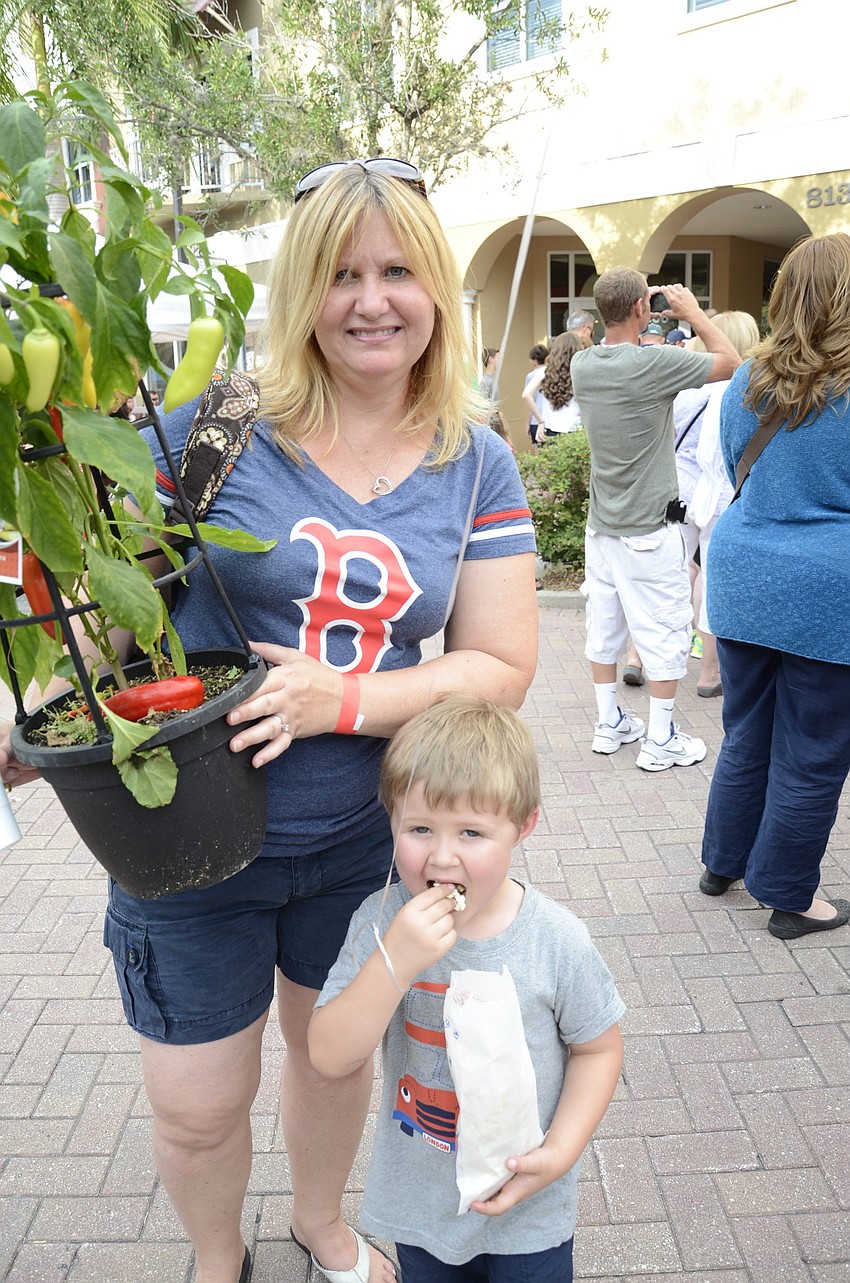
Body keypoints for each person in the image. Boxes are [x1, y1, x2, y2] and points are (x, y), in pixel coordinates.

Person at [0, 158, 539, 1283]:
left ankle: (317, 1223)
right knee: (198, 1106)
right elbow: (118, 595)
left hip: (360, 838)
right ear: (301, 291)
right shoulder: (219, 429)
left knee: (333, 1063)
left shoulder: (472, 457)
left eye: (397, 270)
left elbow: (500, 661)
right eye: (341, 273)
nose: (370, 299)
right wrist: (39, 711)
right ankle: (215, 1256)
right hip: (185, 842)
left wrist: (343, 699)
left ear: (435, 285)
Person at [308, 696, 625, 1282]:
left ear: (523, 826)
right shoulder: (381, 923)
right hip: (422, 1204)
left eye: (473, 832)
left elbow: (598, 1048)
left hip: (528, 1203)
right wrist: (395, 961)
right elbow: (329, 1056)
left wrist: (561, 1152)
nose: (443, 855)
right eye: (420, 828)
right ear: (391, 819)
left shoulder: (555, 940)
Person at [699, 232, 850, 941]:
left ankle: (722, 862)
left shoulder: (745, 382)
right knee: (813, 747)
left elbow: (738, 468)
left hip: (742, 572)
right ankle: (791, 894)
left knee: (745, 728)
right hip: (829, 586)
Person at [570, 269, 740, 771]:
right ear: (643, 309)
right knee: (665, 629)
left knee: (604, 626)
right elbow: (734, 363)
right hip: (651, 529)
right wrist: (693, 313)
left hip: (602, 528)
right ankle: (661, 737)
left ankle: (609, 724)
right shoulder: (654, 364)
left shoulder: (584, 364)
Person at [673, 311, 759, 697]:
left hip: (679, 495)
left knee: (669, 574)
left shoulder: (687, 390)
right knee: (712, 581)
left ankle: (639, 657)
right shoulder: (750, 393)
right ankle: (709, 674)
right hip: (725, 498)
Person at [521, 331, 583, 443]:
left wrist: (540, 421)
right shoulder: (580, 372)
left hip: (550, 430)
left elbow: (526, 395)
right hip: (575, 429)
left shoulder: (545, 372)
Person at [523, 342, 549, 446]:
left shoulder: (531, 376)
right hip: (549, 419)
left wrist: (527, 423)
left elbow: (529, 399)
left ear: (534, 360)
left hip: (536, 419)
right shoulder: (551, 372)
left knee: (540, 452)